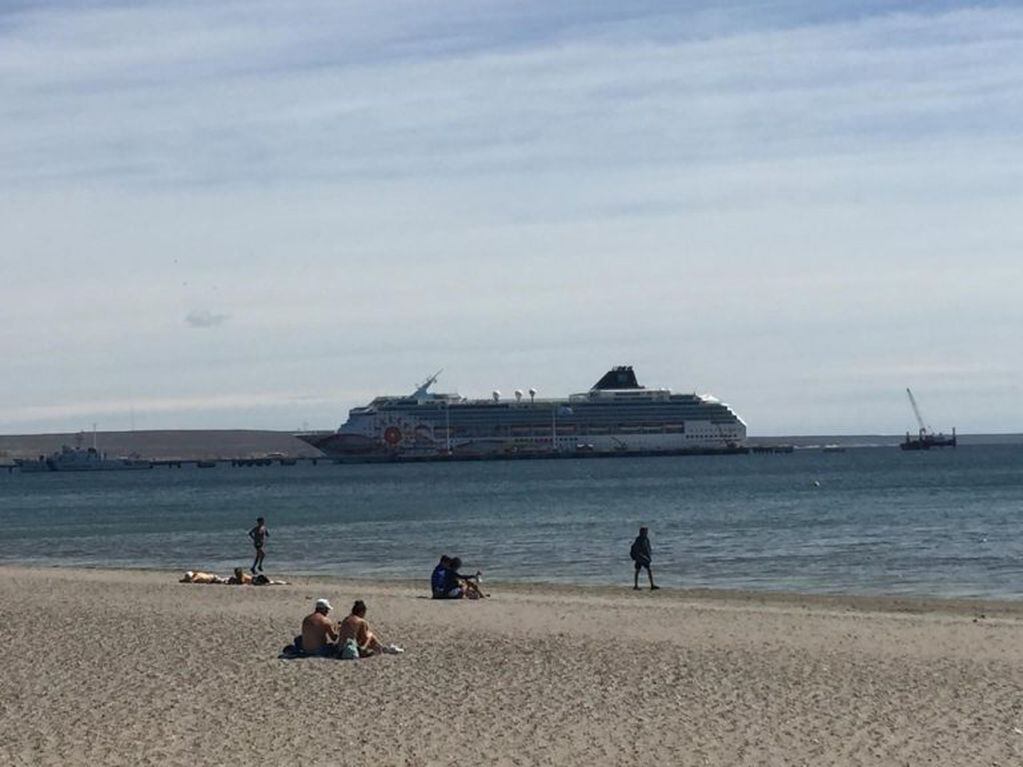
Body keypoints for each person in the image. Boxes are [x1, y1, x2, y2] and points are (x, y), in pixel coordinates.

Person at [336, 600, 403, 658]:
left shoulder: (346, 619)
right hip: (351, 650)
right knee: (370, 635)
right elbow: (364, 637)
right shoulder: (361, 621)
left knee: (368, 637)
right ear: (362, 612)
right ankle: (383, 648)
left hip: (340, 649)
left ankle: (382, 648)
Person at [630, 526, 659, 591]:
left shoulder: (646, 539)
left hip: (644, 557)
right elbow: (637, 549)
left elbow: (648, 548)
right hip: (640, 558)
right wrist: (643, 556)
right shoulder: (639, 539)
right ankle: (636, 585)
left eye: (646, 531)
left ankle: (651, 585)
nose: (646, 532)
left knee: (648, 570)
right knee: (638, 571)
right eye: (645, 531)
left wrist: (649, 556)